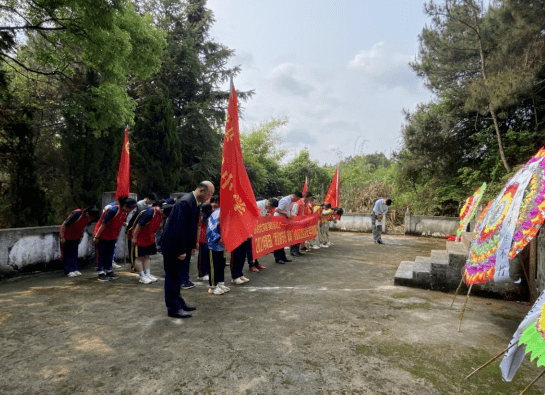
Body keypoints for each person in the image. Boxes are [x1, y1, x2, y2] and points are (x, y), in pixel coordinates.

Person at [160, 181, 214, 319]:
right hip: (174, 247)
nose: (209, 198)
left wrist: (191, 245)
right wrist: (181, 250)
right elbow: (179, 228)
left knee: (178, 276)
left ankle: (179, 302)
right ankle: (173, 307)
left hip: (181, 246)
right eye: (209, 194)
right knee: (172, 277)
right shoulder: (186, 202)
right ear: (201, 191)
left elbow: (190, 226)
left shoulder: (193, 202)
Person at [93, 196, 137, 281]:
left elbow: (120, 225)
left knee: (110, 253)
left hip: (112, 235)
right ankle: (100, 272)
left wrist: (116, 236)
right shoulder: (113, 210)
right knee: (102, 254)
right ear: (124, 206)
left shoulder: (124, 213)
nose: (131, 210)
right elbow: (103, 224)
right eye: (130, 208)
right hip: (102, 234)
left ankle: (109, 270)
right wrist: (97, 236)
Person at [130, 203, 172, 284]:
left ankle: (147, 274)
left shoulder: (160, 214)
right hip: (140, 238)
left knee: (147, 256)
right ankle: (142, 276)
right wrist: (134, 237)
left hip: (149, 237)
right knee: (139, 257)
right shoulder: (150, 212)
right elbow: (139, 225)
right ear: (162, 211)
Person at [59, 206, 100, 277]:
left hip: (76, 237)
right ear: (87, 213)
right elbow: (64, 225)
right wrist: (62, 237)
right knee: (67, 254)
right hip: (67, 236)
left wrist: (81, 236)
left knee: (74, 253)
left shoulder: (89, 218)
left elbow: (82, 227)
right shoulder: (77, 214)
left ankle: (74, 268)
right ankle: (68, 270)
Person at [249, 198, 278, 272]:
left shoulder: (265, 206)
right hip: (251, 229)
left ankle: (256, 263)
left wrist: (266, 215)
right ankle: (251, 265)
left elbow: (260, 215)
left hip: (257, 229)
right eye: (271, 208)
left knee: (256, 247)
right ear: (269, 204)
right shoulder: (258, 205)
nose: (270, 209)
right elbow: (252, 216)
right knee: (251, 248)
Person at [206, 202, 230, 294]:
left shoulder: (227, 213)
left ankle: (220, 283)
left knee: (221, 264)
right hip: (214, 243)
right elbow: (211, 229)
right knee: (213, 265)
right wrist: (219, 237)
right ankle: (212, 286)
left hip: (221, 245)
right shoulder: (217, 213)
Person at [273, 192, 302, 264]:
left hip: (284, 222)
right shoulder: (285, 200)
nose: (296, 201)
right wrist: (286, 214)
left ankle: (283, 257)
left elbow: (287, 211)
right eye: (297, 199)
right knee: (278, 240)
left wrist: (290, 215)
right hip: (278, 222)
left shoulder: (290, 202)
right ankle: (278, 258)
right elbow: (277, 210)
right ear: (294, 196)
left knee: (282, 240)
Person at [196, 203, 214, 282]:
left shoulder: (210, 217)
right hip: (202, 239)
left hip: (208, 239)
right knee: (202, 257)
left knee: (207, 257)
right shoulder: (201, 217)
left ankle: (206, 271)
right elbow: (199, 228)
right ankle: (201, 274)